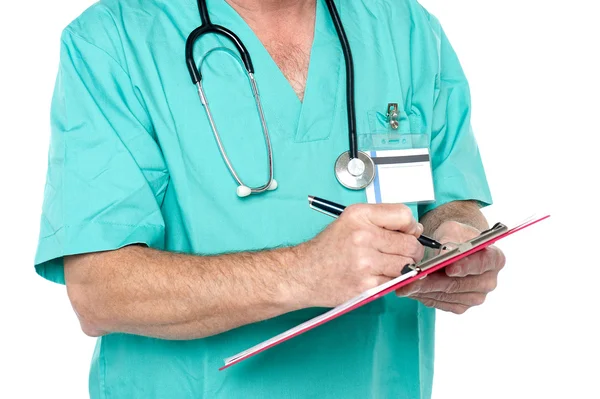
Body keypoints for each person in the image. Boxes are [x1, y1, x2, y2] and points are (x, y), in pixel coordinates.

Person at [35, 0, 506, 397]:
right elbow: (98, 292)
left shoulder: (404, 28)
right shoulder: (114, 41)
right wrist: (304, 272)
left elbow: (450, 201)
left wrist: (456, 240)